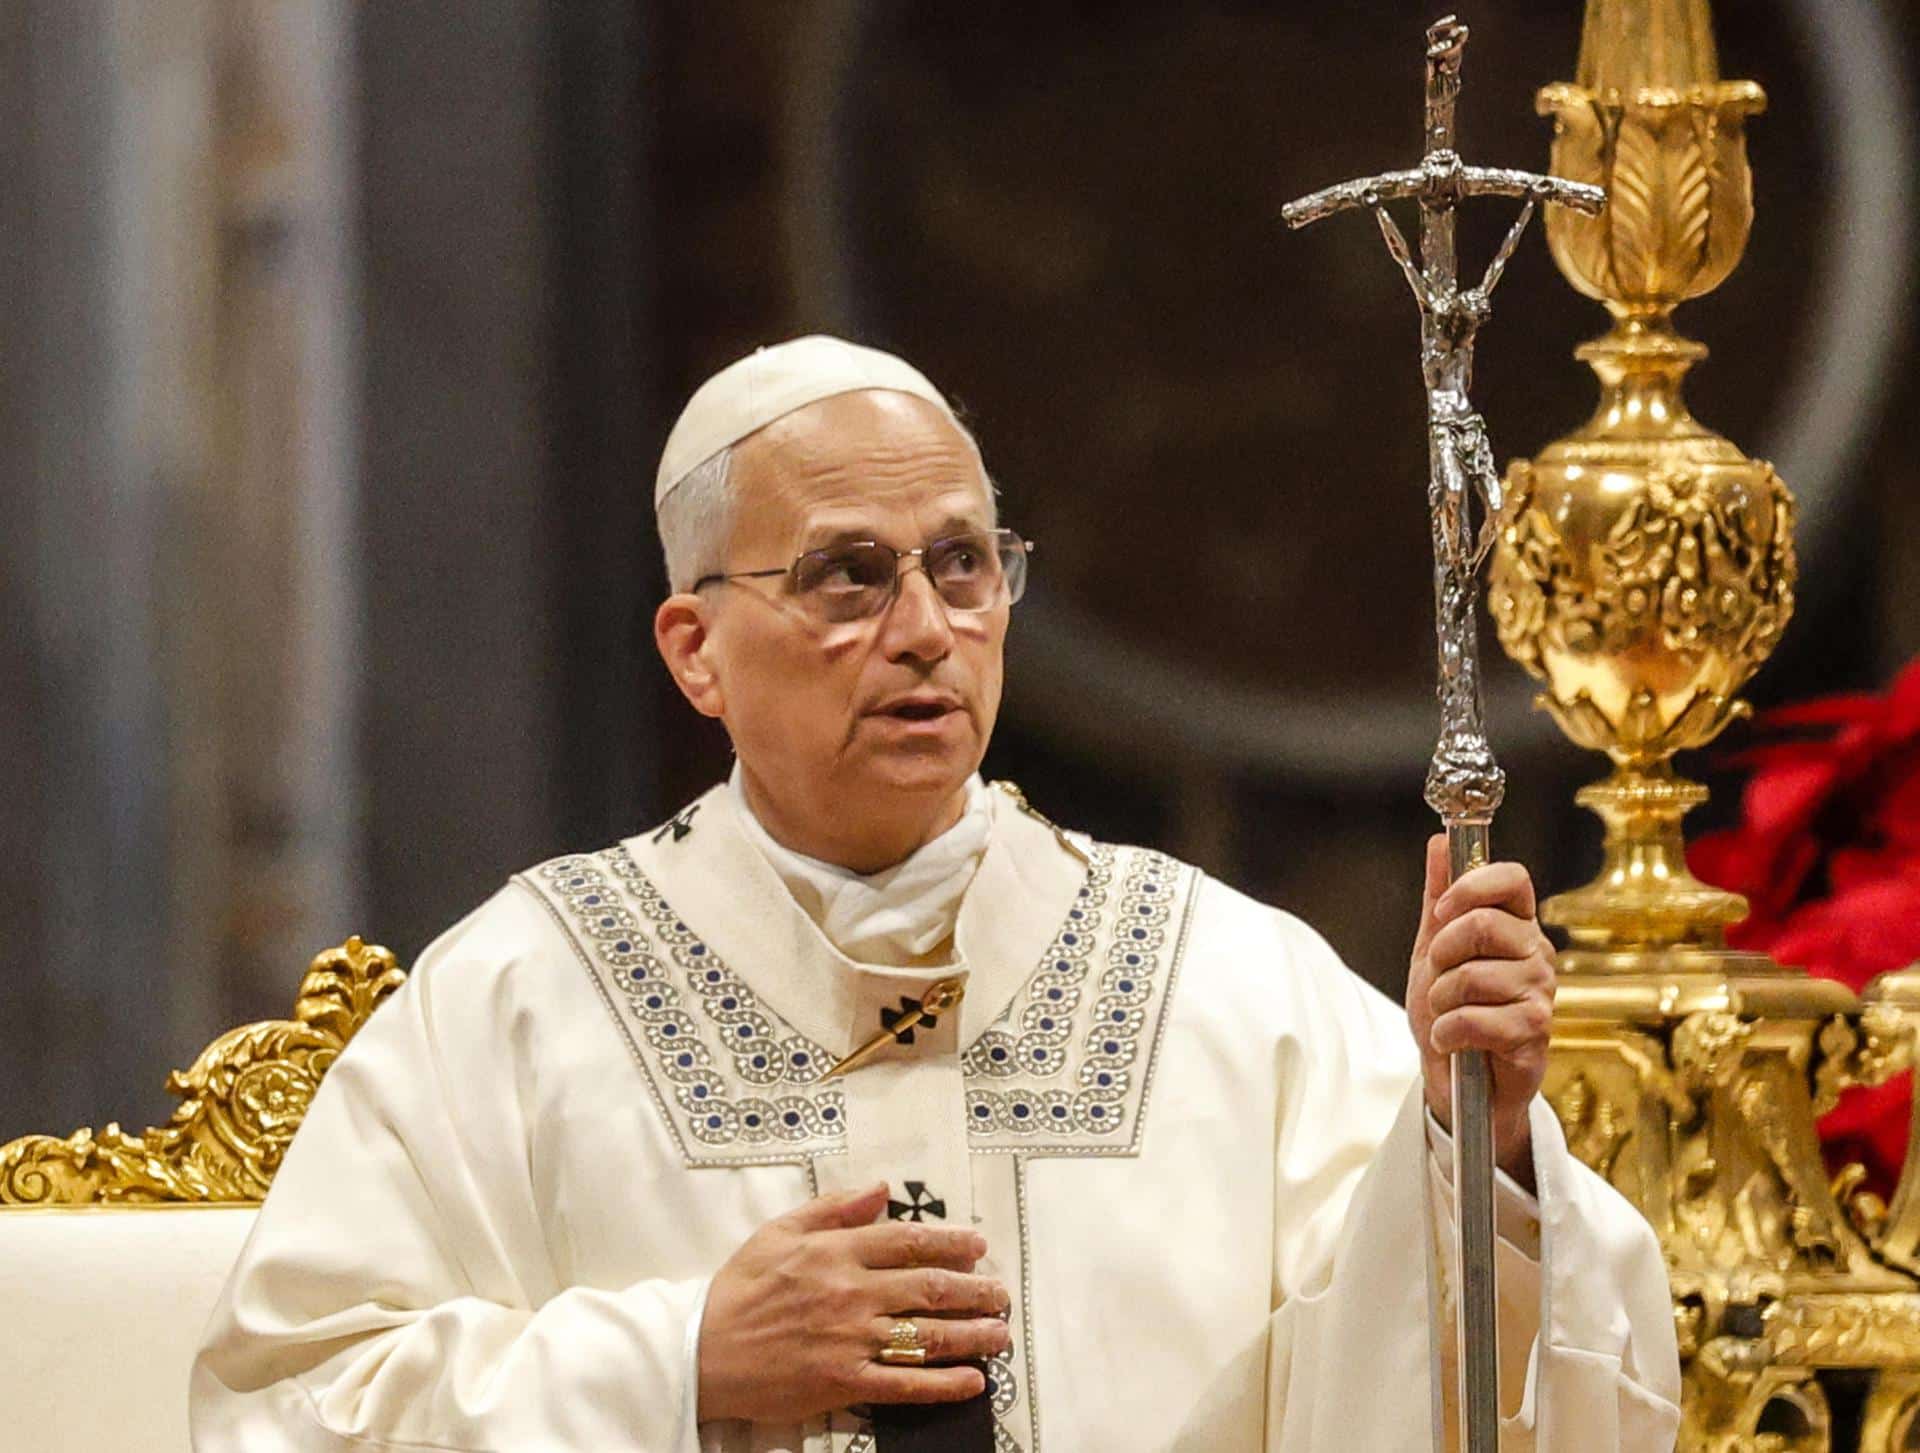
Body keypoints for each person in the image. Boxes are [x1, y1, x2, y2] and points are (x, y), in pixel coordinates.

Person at [191, 336, 1680, 1452]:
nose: (926, 629)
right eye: (848, 575)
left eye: (964, 565)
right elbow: (287, 1402)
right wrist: (682, 1358)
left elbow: (1474, 1375)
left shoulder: (1226, 983)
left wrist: (1465, 1146)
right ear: (694, 647)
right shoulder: (520, 999)